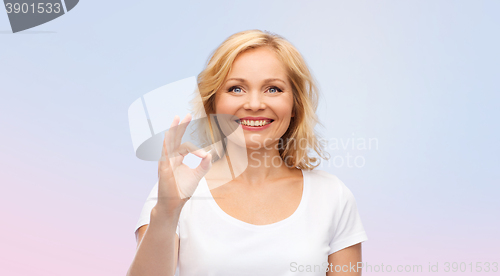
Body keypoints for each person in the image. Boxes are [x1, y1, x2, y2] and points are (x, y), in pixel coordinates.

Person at [127, 29, 368, 276]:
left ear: (295, 105)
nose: (254, 104)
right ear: (213, 105)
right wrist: (168, 211)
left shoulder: (332, 196)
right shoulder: (174, 191)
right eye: (236, 89)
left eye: (273, 89)